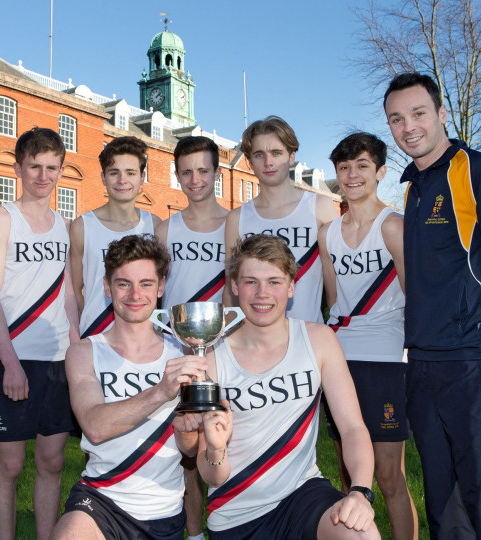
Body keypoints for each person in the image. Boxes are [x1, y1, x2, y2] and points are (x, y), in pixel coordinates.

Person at [384, 72, 481, 539]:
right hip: (426, 364)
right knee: (446, 505)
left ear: (441, 114)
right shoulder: (414, 188)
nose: (408, 126)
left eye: (418, 113)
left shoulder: (477, 171)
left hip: (476, 362)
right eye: (397, 118)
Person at [183, 234, 380, 540]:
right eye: (251, 282)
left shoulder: (318, 340)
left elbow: (353, 427)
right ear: (235, 287)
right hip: (236, 509)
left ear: (291, 287)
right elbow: (210, 472)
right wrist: (217, 448)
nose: (263, 293)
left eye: (274, 281)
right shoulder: (210, 358)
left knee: (360, 532)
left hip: (303, 496)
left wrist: (359, 491)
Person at [52, 234, 205, 540]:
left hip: (162, 509)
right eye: (123, 283)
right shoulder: (83, 353)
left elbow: (190, 451)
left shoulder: (185, 355)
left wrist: (188, 430)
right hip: (100, 499)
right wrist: (161, 391)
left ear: (161, 287)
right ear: (107, 287)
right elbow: (94, 426)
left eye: (146, 284)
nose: (135, 294)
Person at [0, 127, 80, 540]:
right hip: (12, 359)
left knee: (52, 462)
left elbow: (70, 292)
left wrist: (76, 350)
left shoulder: (65, 226)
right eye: (35, 166)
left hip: (56, 360)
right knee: (9, 465)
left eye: (52, 167)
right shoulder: (2, 219)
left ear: (61, 170)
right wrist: (9, 362)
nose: (43, 175)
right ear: (19, 167)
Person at [318, 132, 417, 540]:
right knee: (350, 478)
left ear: (380, 172)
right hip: (341, 359)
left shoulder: (394, 226)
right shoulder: (327, 234)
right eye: (344, 167)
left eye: (362, 165)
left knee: (391, 478)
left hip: (387, 359)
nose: (352, 174)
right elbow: (333, 300)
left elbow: (418, 299)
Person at [155, 135, 229, 540]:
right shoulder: (166, 228)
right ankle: (196, 533)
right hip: (179, 350)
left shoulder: (235, 224)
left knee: (221, 443)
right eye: (186, 172)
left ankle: (231, 523)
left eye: (203, 170)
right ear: (177, 175)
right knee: (185, 449)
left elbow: (237, 291)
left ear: (217, 173)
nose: (195, 179)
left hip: (224, 351)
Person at [224, 116, 338, 322]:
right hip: (254, 341)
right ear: (249, 162)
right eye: (259, 155)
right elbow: (231, 288)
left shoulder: (320, 206)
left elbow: (335, 279)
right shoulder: (237, 218)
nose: (268, 162)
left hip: (308, 335)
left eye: (276, 153)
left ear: (292, 156)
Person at [69, 136, 162, 338]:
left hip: (143, 339)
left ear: (142, 177)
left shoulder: (155, 225)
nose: (122, 181)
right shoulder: (82, 226)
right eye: (114, 173)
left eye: (130, 173)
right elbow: (75, 291)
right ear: (103, 177)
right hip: (95, 334)